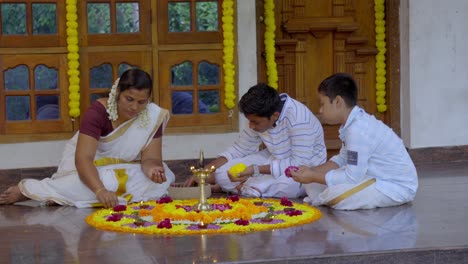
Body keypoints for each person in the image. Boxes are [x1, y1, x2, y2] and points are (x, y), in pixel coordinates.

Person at [0, 69, 175, 208]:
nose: (134, 107)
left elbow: (151, 159)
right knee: (102, 181)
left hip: (120, 170)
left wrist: (153, 171)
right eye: (129, 99)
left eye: (141, 102)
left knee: (166, 175)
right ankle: (29, 190)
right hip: (87, 169)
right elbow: (83, 159)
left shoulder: (152, 116)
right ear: (117, 93)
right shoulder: (97, 112)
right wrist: (100, 190)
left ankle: (65, 196)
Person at [290, 73, 418, 210]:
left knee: (336, 196)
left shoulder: (358, 129)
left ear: (338, 102)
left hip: (396, 187)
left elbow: (351, 178)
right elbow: (342, 159)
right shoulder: (352, 124)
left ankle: (322, 197)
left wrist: (314, 176)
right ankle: (321, 192)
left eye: (322, 104)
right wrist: (312, 171)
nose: (320, 110)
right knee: (316, 183)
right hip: (372, 177)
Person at [184, 83, 327, 198]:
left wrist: (255, 170)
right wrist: (204, 172)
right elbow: (238, 149)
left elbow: (298, 165)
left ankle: (249, 187)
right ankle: (249, 188)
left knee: (286, 187)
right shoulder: (261, 117)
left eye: (255, 122)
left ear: (275, 116)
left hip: (305, 169)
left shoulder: (299, 120)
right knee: (222, 174)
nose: (251, 126)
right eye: (250, 121)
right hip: (273, 158)